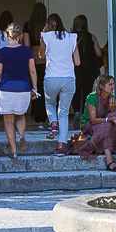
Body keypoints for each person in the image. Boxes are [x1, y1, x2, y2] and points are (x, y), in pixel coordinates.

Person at [0, 20, 38, 164]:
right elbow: (32, 70)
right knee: (21, 115)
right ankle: (22, 135)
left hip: (6, 87)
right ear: (20, 36)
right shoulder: (26, 50)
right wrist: (34, 89)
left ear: (6, 35)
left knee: (8, 121)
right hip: (23, 87)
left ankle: (14, 151)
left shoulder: (2, 52)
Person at [39, 12, 80, 155]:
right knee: (63, 113)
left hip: (51, 77)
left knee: (50, 103)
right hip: (68, 77)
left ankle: (53, 125)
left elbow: (41, 55)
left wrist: (42, 39)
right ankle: (60, 148)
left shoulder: (46, 36)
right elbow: (78, 61)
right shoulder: (72, 37)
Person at [78, 75, 116, 171]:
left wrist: (113, 110)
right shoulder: (92, 97)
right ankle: (110, 161)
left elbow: (113, 117)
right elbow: (93, 120)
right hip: (89, 125)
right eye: (110, 84)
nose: (113, 87)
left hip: (106, 125)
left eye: (113, 84)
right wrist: (108, 120)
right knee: (107, 126)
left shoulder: (112, 98)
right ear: (101, 86)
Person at [71, 14, 103, 124]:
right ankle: (85, 114)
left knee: (75, 92)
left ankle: (76, 112)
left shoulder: (70, 37)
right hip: (89, 70)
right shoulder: (91, 36)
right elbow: (99, 53)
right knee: (87, 92)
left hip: (74, 68)